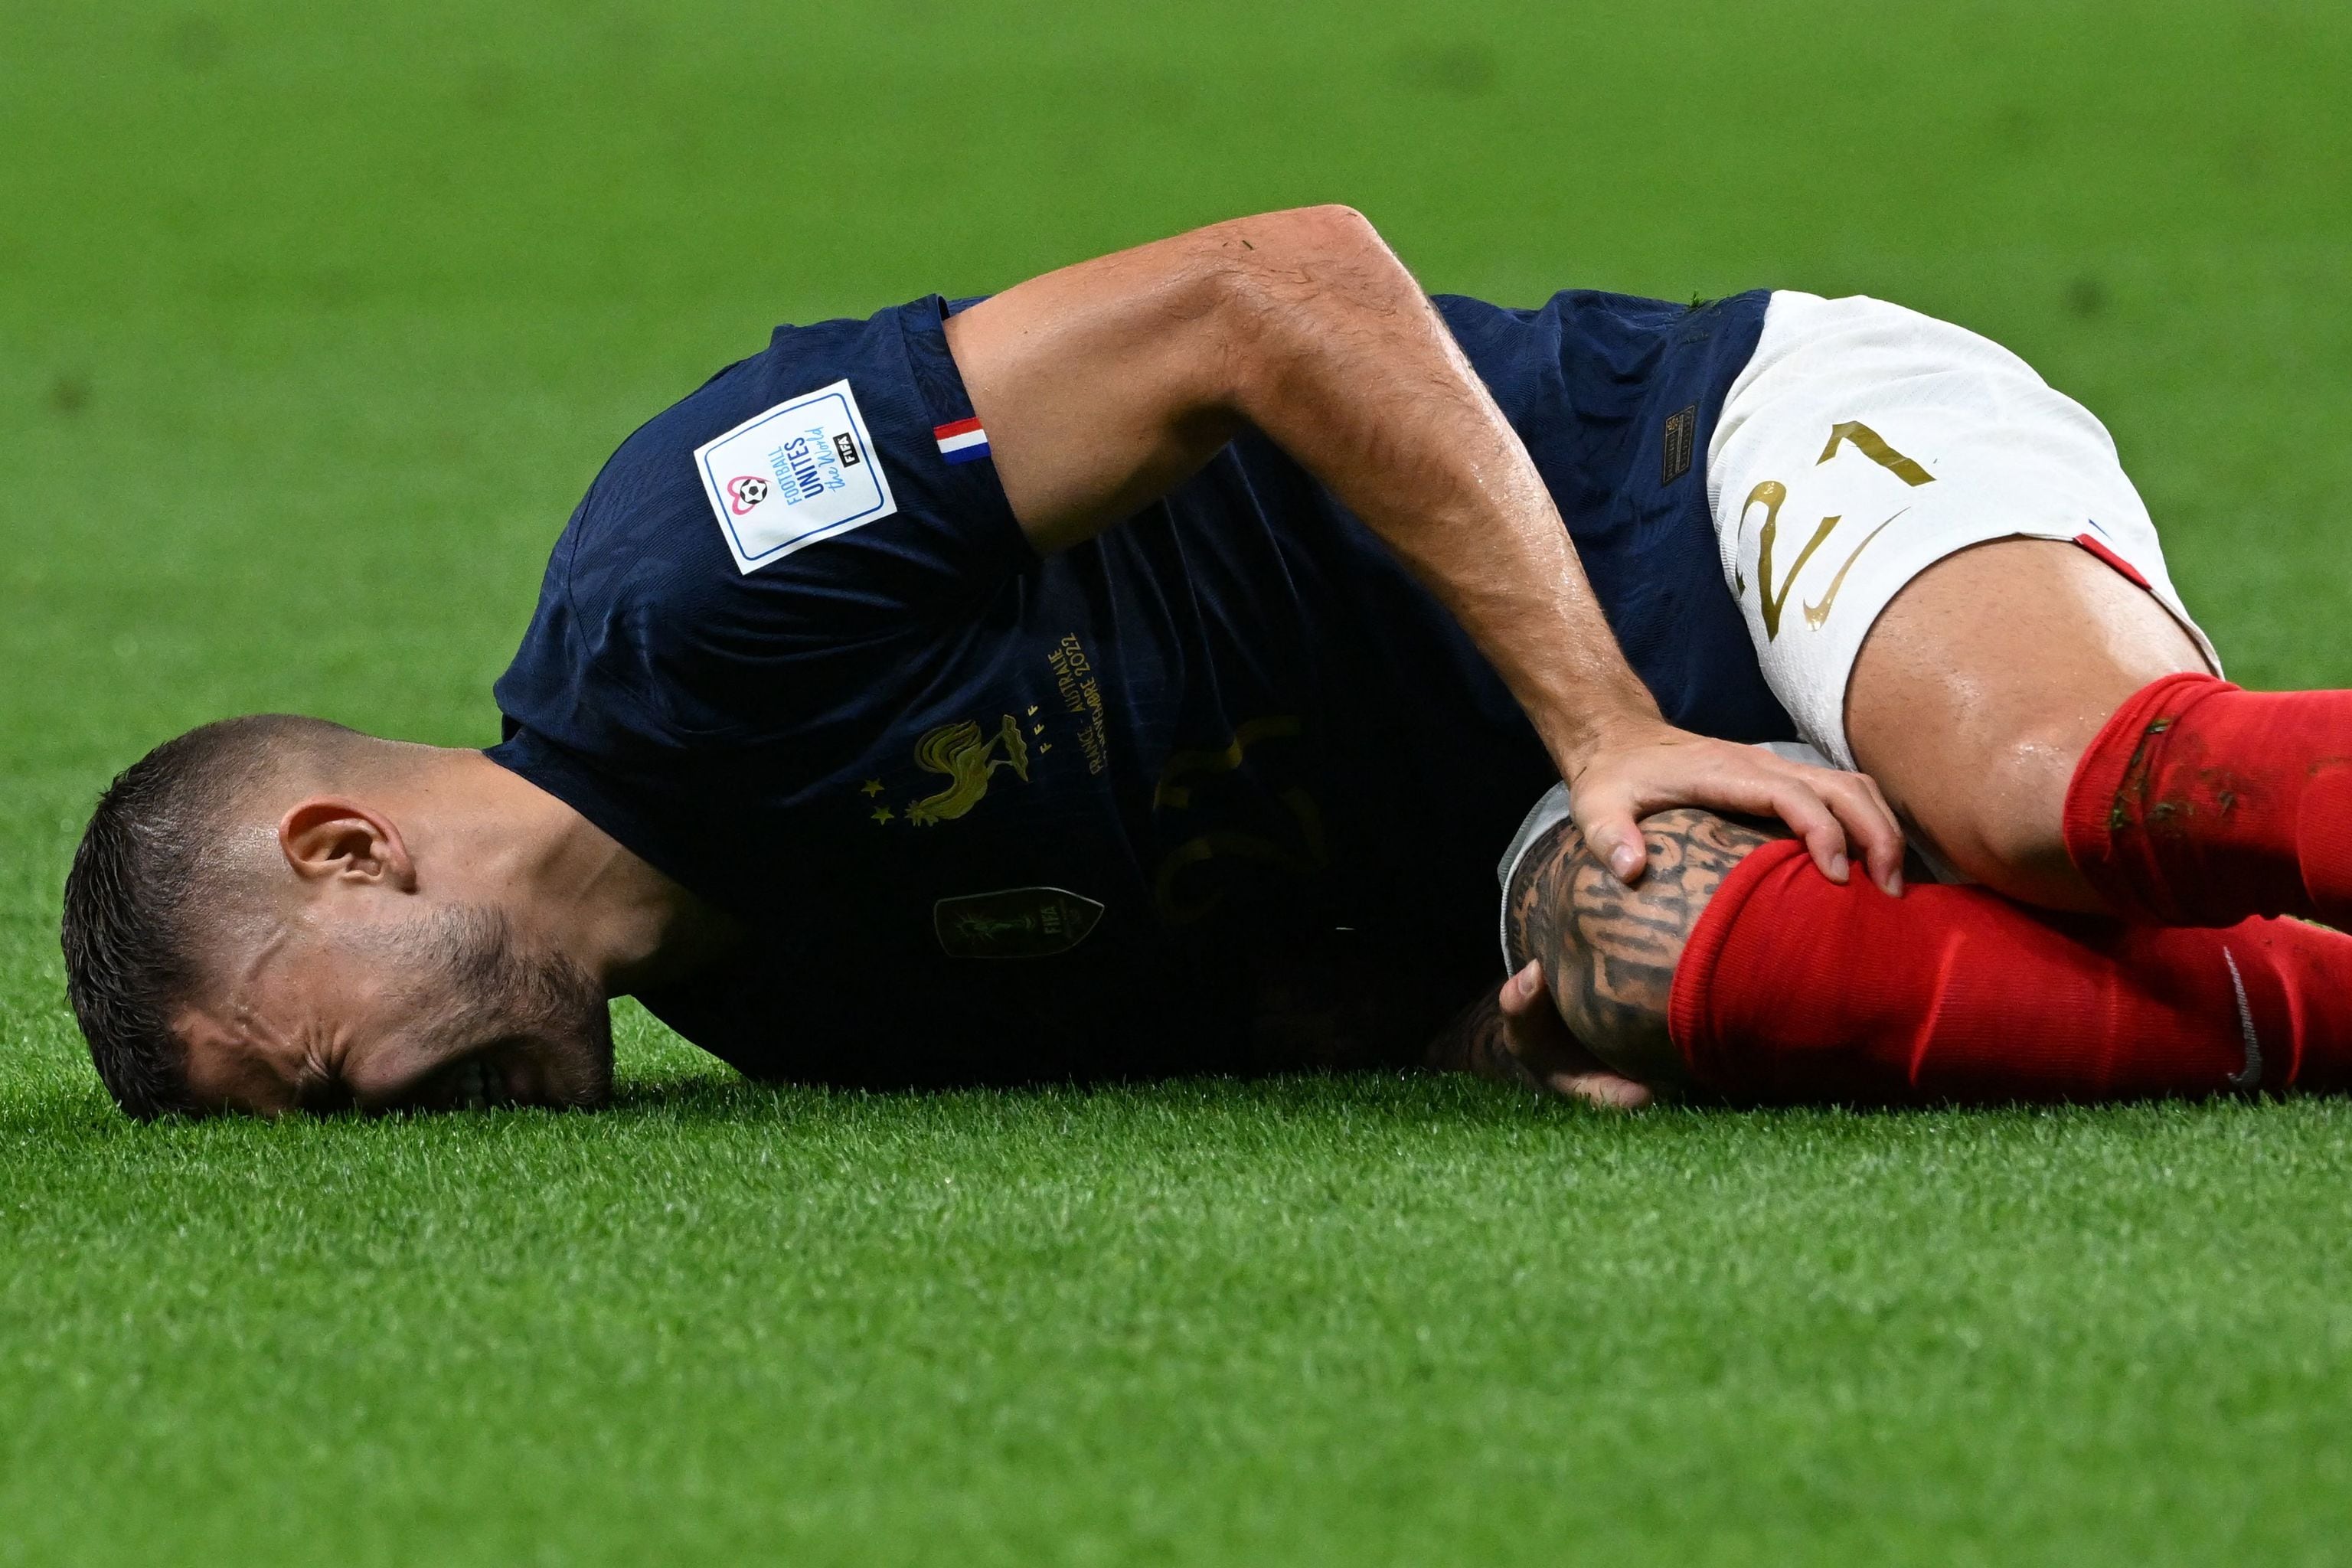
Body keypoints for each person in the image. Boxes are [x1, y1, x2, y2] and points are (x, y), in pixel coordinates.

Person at [54, 207, 2352, 1116]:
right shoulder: (807, 1021)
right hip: (1587, 784)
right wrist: (1509, 1019)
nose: (372, 1139)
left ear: (342, 851)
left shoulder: (690, 580)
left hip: (1702, 478)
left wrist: (1609, 717)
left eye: (311, 1080)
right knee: (1654, 956)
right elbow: (1295, 1010)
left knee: (2054, 792)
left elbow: (1279, 290)